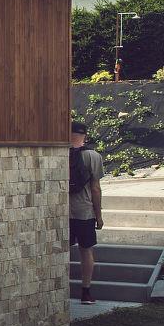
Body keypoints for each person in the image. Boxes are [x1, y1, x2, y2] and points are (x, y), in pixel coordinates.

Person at [71, 121, 105, 305]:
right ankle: (85, 292)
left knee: (61, 251)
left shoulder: (59, 154)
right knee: (86, 251)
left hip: (62, 213)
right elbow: (96, 189)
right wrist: (98, 215)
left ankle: (60, 289)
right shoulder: (93, 156)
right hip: (84, 211)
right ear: (85, 135)